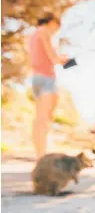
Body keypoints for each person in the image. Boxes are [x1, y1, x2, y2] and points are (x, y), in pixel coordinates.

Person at [29, 13, 69, 160]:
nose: (55, 31)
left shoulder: (33, 36)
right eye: (56, 27)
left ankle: (40, 154)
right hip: (46, 79)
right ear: (51, 22)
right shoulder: (43, 33)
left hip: (36, 78)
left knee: (40, 118)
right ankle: (42, 156)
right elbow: (53, 58)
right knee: (44, 119)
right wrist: (68, 61)